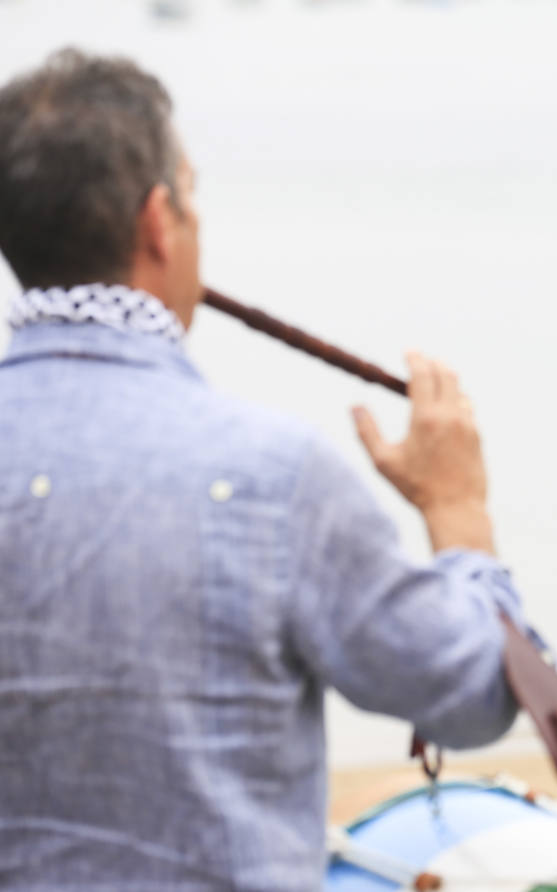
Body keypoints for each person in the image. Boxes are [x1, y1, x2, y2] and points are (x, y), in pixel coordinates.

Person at [0, 49, 525, 889]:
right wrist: (457, 508)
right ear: (159, 223)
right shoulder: (269, 474)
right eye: (193, 195)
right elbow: (470, 693)